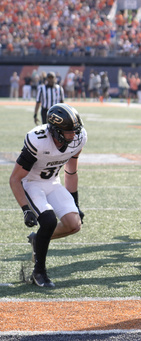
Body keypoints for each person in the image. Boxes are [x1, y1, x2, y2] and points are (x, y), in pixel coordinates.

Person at [9, 103, 87, 287]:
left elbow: (71, 171)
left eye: (75, 130)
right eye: (68, 131)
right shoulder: (38, 140)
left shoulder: (78, 138)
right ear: (55, 131)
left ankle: (38, 239)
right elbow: (15, 179)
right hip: (32, 183)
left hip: (53, 182)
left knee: (74, 225)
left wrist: (75, 201)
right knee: (49, 221)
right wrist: (26, 209)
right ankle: (39, 272)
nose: (73, 135)